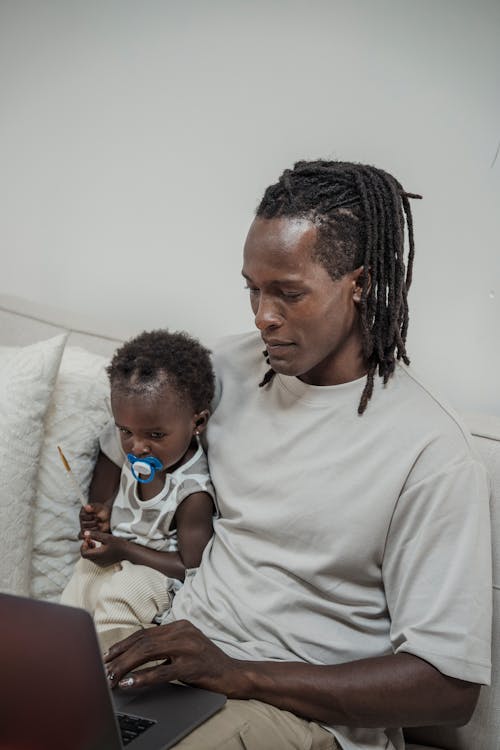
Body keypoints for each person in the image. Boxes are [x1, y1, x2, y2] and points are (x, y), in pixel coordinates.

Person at [98, 161, 491, 750]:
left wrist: (238, 673)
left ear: (358, 282)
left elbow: (450, 689)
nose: (262, 316)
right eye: (252, 289)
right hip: (181, 668)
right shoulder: (222, 372)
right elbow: (122, 444)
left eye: (288, 293)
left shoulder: (431, 451)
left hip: (306, 719)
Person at [61, 329, 216, 653]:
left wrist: (123, 550)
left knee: (121, 596)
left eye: (156, 434)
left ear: (197, 423)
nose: (138, 447)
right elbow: (113, 507)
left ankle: (112, 682)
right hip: (121, 555)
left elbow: (191, 566)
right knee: (82, 581)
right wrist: (101, 517)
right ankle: (62, 657)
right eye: (126, 431)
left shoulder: (193, 492)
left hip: (159, 576)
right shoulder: (129, 454)